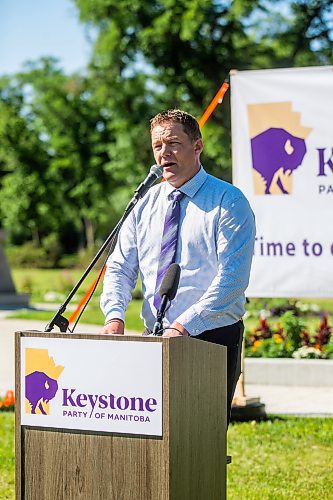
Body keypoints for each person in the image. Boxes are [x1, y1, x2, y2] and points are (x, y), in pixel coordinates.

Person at [100, 109, 255, 423]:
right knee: (149, 443)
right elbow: (120, 267)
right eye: (157, 146)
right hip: (154, 337)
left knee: (199, 444)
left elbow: (232, 280)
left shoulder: (229, 201)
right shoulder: (143, 203)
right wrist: (114, 315)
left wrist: (182, 326)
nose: (163, 153)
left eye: (172, 143)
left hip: (210, 338)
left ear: (197, 146)